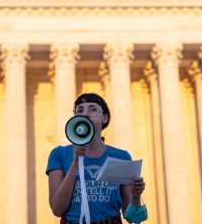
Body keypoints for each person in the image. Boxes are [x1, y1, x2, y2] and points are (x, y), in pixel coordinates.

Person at [46, 93, 146, 224]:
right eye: (79, 110)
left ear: (104, 118)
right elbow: (57, 209)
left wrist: (136, 196)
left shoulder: (121, 157)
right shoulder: (59, 154)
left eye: (92, 109)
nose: (85, 114)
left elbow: (133, 218)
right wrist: (75, 163)